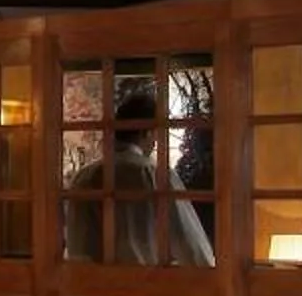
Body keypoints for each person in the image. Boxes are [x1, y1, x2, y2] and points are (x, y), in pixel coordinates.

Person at [63, 87, 216, 268]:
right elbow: (191, 246)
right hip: (144, 288)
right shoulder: (155, 175)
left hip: (87, 289)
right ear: (148, 132)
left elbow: (75, 244)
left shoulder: (83, 177)